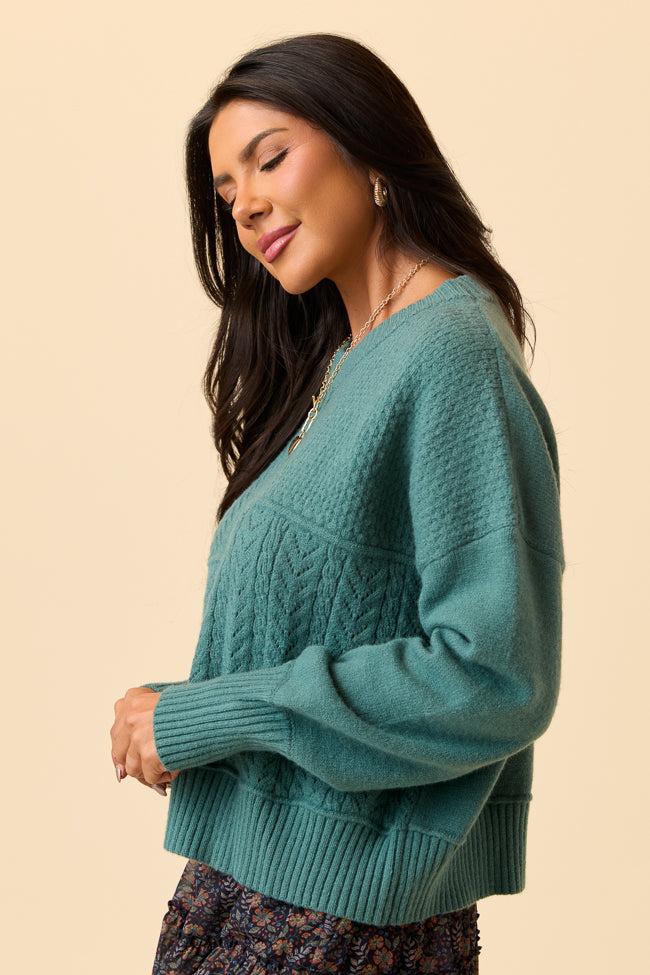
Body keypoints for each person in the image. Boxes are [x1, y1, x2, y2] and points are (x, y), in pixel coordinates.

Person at [110, 33, 564, 975]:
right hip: (252, 893)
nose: (247, 206)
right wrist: (188, 711)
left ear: (369, 147)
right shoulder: (344, 359)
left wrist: (209, 714)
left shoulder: (451, 351)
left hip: (340, 928)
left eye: (270, 158)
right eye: (227, 194)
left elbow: (495, 675)